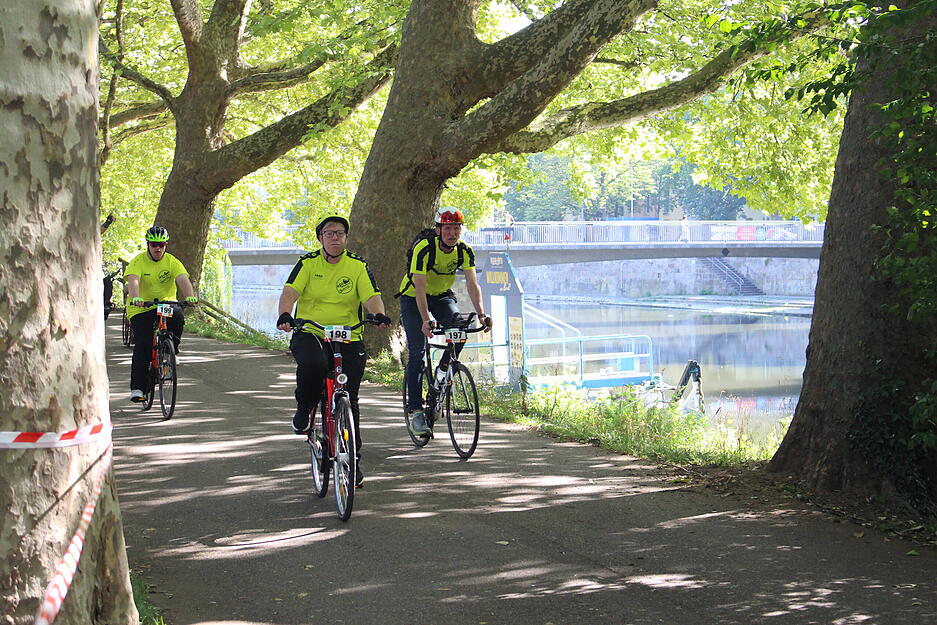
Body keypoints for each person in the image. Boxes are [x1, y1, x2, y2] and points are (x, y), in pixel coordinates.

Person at [276, 215, 391, 487]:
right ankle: (304, 407)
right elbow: (289, 292)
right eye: (329, 233)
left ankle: (353, 461)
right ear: (320, 238)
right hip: (311, 331)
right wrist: (285, 313)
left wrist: (379, 314)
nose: (335, 238)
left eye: (339, 233)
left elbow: (372, 296)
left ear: (346, 237)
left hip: (349, 335)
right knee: (313, 366)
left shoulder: (358, 266)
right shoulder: (307, 263)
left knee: (349, 399)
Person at [398, 208, 492, 437]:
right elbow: (419, 287)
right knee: (418, 353)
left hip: (441, 295)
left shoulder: (464, 251)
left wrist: (482, 313)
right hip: (413, 297)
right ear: (439, 230)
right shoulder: (425, 248)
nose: (452, 233)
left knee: (460, 329)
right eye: (447, 228)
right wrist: (425, 320)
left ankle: (442, 372)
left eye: (456, 228)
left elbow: (472, 284)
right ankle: (416, 411)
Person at [124, 225, 198, 402]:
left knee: (178, 316)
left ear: (166, 245)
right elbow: (133, 280)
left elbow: (183, 279)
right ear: (148, 245)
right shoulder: (138, 261)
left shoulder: (172, 261)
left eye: (162, 245)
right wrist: (136, 298)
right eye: (154, 244)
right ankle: (138, 389)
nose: (158, 248)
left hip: (165, 304)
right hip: (142, 307)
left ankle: (170, 351)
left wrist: (190, 297)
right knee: (143, 346)